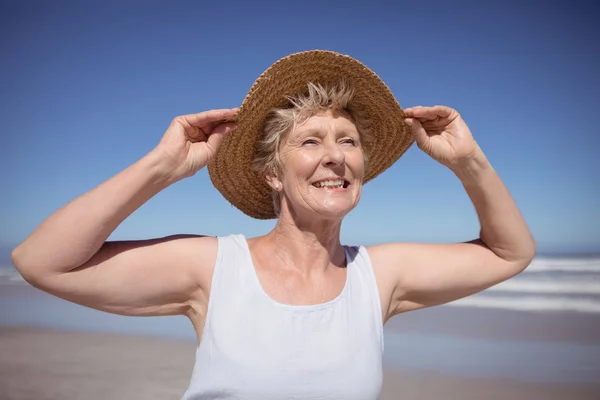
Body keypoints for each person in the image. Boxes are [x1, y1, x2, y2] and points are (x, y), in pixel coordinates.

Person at [11, 50, 536, 399]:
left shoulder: (379, 276)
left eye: (348, 142)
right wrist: (161, 167)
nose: (336, 157)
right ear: (272, 174)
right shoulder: (214, 268)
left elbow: (510, 253)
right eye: (310, 142)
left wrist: (470, 162)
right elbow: (40, 262)